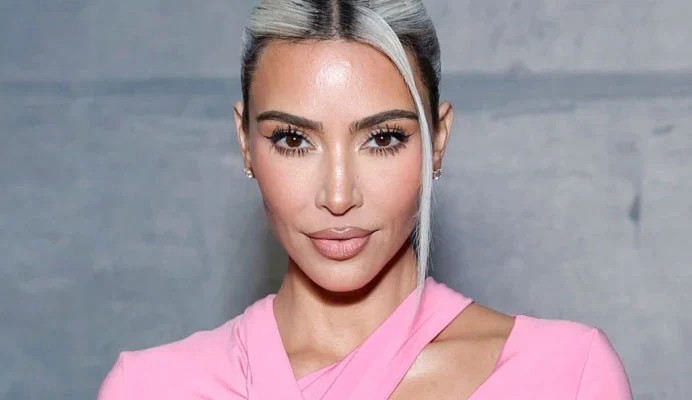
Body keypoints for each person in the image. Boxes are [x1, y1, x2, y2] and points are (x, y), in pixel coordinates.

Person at [98, 1, 632, 399]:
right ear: (245, 142)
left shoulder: (565, 376)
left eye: (383, 138)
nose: (338, 196)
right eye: (293, 139)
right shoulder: (149, 388)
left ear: (438, 140)